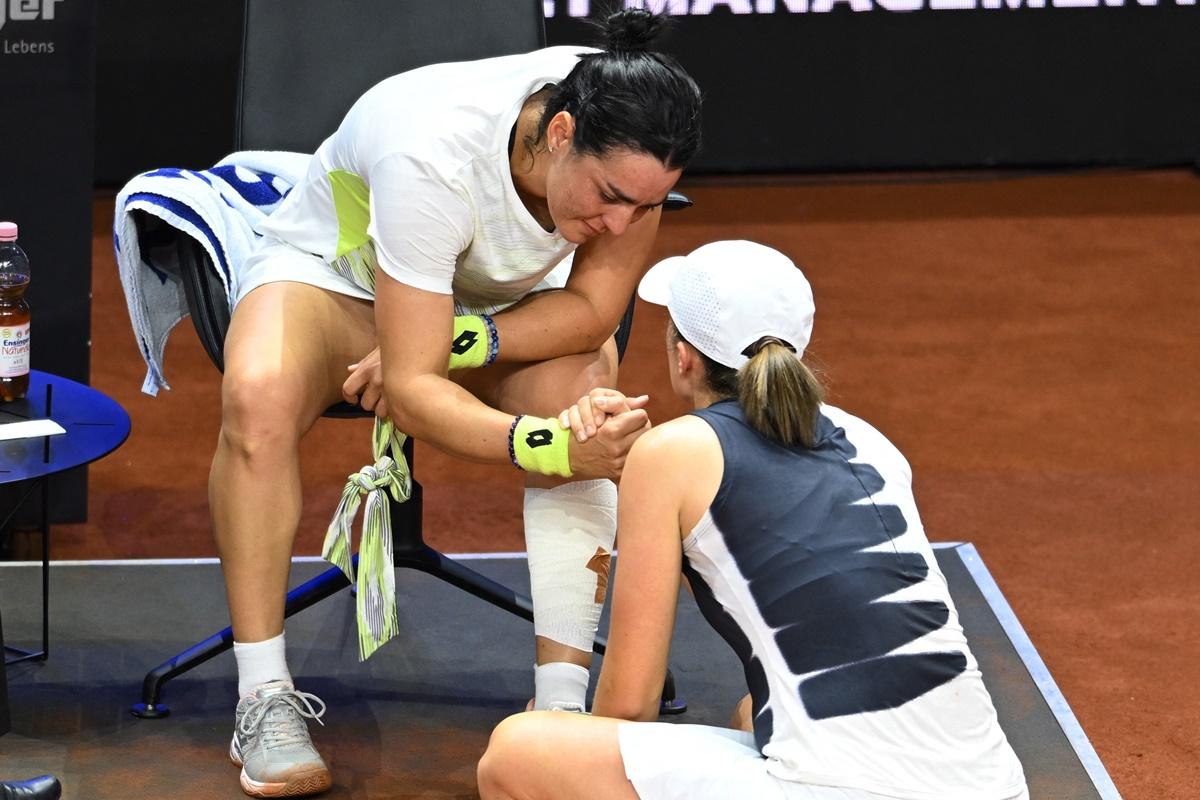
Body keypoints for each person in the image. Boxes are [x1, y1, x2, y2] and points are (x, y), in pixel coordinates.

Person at [215, 9, 702, 799]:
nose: (619, 225)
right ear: (559, 132)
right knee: (259, 391)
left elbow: (588, 311)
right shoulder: (430, 157)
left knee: (585, 397)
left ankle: (560, 712)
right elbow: (410, 393)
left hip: (482, 307)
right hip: (341, 280)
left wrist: (463, 340)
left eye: (646, 208)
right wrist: (544, 446)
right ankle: (262, 695)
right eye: (611, 198)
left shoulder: (632, 122)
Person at [477, 240, 1029, 800]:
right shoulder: (873, 442)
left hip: (849, 789)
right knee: (753, 713)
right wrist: (644, 476)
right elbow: (748, 525)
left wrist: (566, 729)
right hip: (995, 787)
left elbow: (629, 707)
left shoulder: (673, 454)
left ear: (683, 356)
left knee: (517, 752)